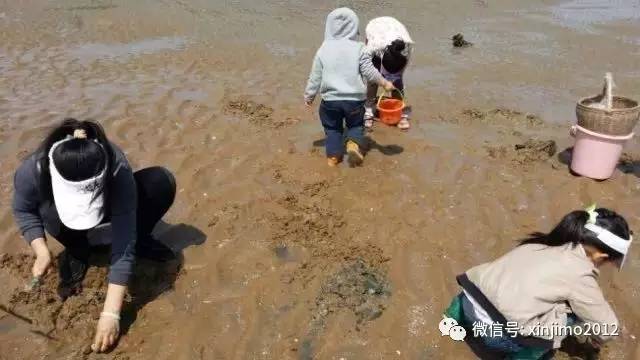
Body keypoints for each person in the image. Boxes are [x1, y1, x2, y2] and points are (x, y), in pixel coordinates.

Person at [12, 119, 177, 353]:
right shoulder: (33, 169)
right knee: (45, 210)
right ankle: (78, 249)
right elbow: (23, 209)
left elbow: (124, 235)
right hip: (59, 217)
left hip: (111, 204)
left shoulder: (116, 167)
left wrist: (111, 313)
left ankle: (143, 239)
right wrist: (40, 249)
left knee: (160, 182)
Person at [445, 206, 632, 359]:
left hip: (467, 303)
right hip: (495, 334)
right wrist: (598, 338)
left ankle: (451, 319)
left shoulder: (541, 244)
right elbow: (609, 328)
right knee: (570, 317)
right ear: (602, 256)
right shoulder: (580, 274)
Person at [304, 7, 395, 167]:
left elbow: (315, 77)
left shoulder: (323, 49)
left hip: (330, 102)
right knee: (355, 125)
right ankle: (353, 144)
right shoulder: (359, 48)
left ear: (329, 27)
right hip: (354, 101)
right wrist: (385, 83)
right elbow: (369, 72)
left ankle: (333, 158)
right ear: (354, 27)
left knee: (332, 129)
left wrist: (309, 96)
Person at [364, 17, 414, 130]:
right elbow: (366, 66)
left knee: (398, 81)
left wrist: (393, 79)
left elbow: (399, 74)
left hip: (395, 29)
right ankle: (369, 110)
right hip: (376, 28)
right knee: (373, 78)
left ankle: (399, 111)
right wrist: (382, 81)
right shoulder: (374, 46)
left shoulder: (407, 49)